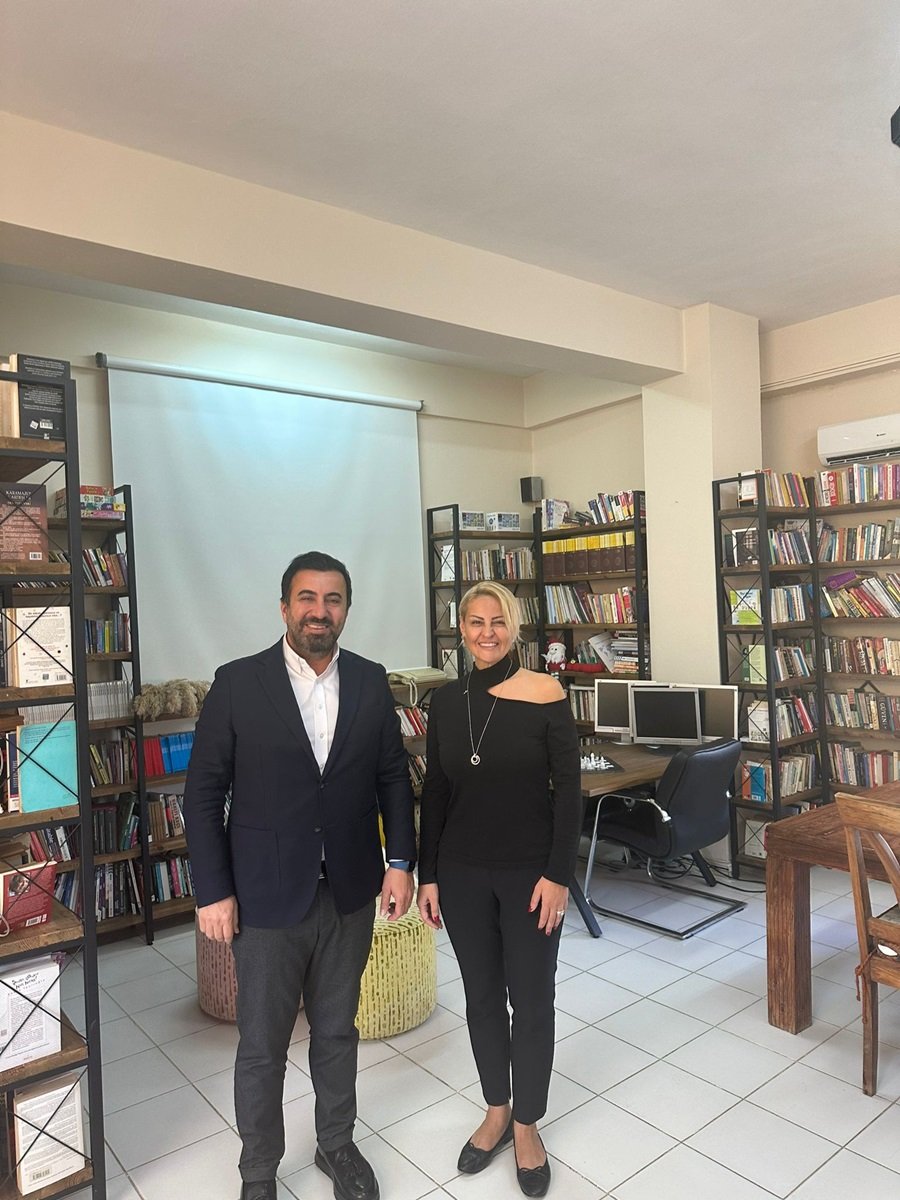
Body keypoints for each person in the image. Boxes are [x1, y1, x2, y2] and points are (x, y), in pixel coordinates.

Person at [183, 551, 416, 1200]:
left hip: (349, 892)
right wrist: (214, 890)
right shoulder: (237, 683)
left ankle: (336, 1145)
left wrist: (400, 861)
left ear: (347, 610)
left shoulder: (370, 681)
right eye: (307, 598)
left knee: (337, 1032)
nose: (320, 610)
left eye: (333, 599)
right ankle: (258, 1172)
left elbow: (393, 777)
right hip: (263, 899)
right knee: (262, 1046)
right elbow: (203, 793)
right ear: (284, 607)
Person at [417, 581, 581, 1198]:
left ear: (514, 628)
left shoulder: (545, 692)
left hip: (530, 875)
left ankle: (527, 1123)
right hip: (461, 873)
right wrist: (428, 873)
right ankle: (495, 1110)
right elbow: (436, 791)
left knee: (531, 999)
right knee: (482, 998)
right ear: (460, 629)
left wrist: (559, 875)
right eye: (476, 621)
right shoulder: (444, 701)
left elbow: (569, 790)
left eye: (498, 621)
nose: (487, 632)